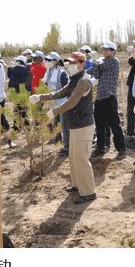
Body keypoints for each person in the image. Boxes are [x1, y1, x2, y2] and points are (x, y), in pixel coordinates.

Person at [30, 52, 97, 205]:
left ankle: (88, 192)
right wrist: (41, 97)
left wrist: (55, 111)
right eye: (69, 62)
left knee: (81, 159)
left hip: (83, 125)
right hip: (75, 124)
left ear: (82, 64)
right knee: (74, 158)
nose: (70, 65)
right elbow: (60, 92)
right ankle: (77, 185)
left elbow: (72, 101)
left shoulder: (83, 81)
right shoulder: (74, 79)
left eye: (74, 63)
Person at [88, 41, 127, 159]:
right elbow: (95, 73)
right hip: (100, 97)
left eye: (107, 49)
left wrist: (95, 62)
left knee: (115, 125)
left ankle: (121, 150)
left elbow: (96, 71)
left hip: (109, 97)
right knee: (99, 126)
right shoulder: (102, 62)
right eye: (103, 49)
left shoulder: (114, 61)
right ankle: (100, 148)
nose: (104, 51)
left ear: (113, 51)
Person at [44, 52, 70, 153]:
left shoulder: (61, 73)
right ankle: (58, 145)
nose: (47, 62)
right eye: (46, 60)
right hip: (53, 104)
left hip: (62, 104)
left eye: (49, 60)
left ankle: (67, 147)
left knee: (64, 126)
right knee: (56, 125)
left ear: (56, 61)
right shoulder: (49, 73)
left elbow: (67, 89)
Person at [7, 55, 31, 133]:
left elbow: (10, 77)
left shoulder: (15, 69)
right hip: (23, 93)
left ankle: (17, 127)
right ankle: (26, 128)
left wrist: (9, 68)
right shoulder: (26, 70)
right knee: (24, 111)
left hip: (16, 93)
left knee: (17, 111)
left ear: (19, 62)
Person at [125, 45, 135, 143]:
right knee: (130, 110)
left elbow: (133, 62)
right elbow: (131, 62)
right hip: (132, 86)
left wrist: (131, 55)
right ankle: (130, 132)